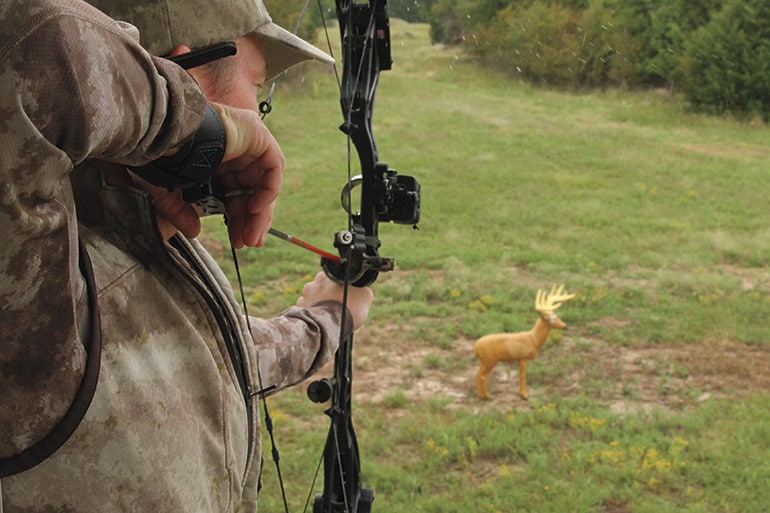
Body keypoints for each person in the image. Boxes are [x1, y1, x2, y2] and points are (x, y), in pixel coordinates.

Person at [0, 0, 374, 511]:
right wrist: (191, 126)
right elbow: (32, 46)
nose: (262, 118)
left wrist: (326, 319)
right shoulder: (37, 277)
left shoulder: (147, 244)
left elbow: (208, 364)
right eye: (257, 89)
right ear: (188, 76)